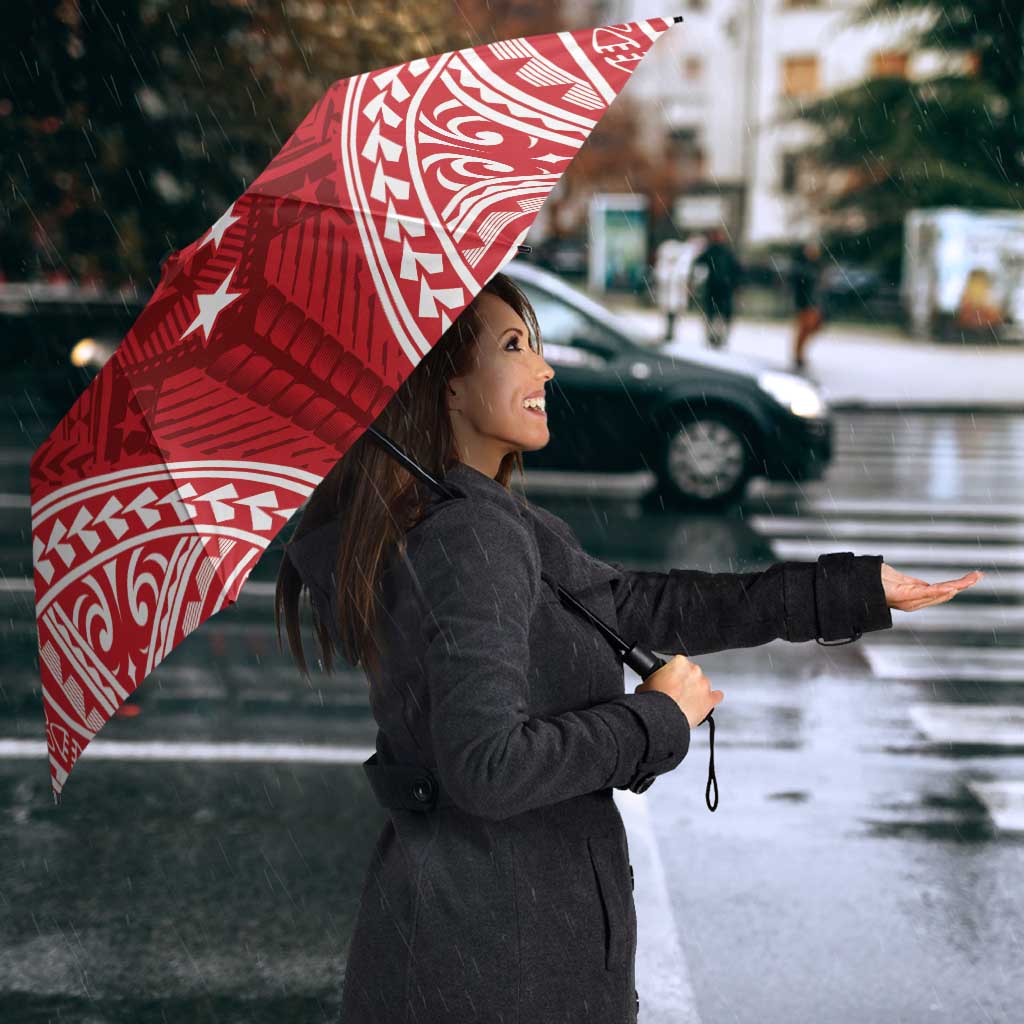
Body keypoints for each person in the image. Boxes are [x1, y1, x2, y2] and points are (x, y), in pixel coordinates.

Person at [275, 271, 974, 1024]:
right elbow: (487, 768)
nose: (544, 368)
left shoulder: (472, 517)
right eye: (514, 346)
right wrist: (656, 719)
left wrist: (850, 591)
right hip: (499, 963)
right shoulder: (469, 536)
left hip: (474, 943)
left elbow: (639, 605)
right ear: (446, 386)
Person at [692, 226, 742, 349]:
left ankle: (719, 337)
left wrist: (735, 284)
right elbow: (698, 264)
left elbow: (736, 270)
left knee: (720, 315)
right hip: (715, 288)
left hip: (723, 288)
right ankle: (713, 337)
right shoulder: (712, 251)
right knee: (713, 314)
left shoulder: (725, 252)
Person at [790, 239, 826, 370]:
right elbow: (799, 286)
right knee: (804, 329)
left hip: (814, 303)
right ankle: (798, 355)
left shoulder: (817, 266)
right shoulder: (802, 267)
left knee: (812, 328)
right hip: (805, 303)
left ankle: (799, 354)